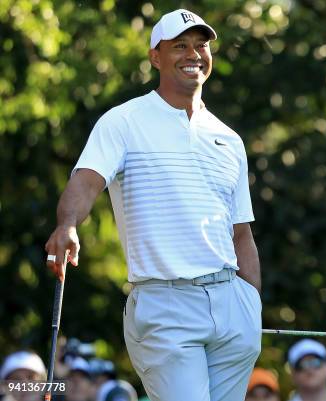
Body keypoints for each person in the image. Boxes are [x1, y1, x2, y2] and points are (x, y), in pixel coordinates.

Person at [44, 8, 261, 401]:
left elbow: (241, 233)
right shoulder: (124, 121)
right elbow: (87, 181)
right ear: (155, 57)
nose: (193, 54)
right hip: (165, 304)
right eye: (179, 46)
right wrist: (68, 224)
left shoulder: (228, 138)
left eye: (201, 45)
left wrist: (252, 305)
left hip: (233, 304)